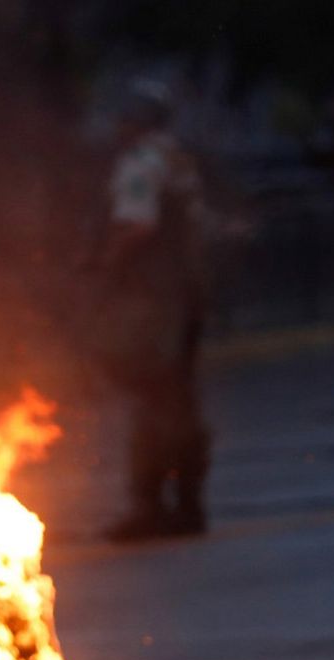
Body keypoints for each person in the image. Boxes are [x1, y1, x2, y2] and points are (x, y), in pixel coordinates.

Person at [93, 80, 212, 541]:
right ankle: (188, 504)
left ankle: (150, 506)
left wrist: (106, 263)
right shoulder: (179, 159)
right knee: (181, 399)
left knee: (153, 400)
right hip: (186, 295)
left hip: (153, 300)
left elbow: (138, 226)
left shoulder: (141, 163)